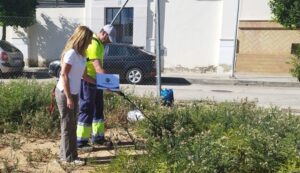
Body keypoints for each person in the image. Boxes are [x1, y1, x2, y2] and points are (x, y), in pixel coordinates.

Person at [55, 25, 95, 165]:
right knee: (68, 126)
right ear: (83, 39)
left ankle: (65, 155)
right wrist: (69, 98)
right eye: (89, 39)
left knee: (71, 125)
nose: (91, 42)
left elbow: (84, 76)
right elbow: (64, 75)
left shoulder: (82, 55)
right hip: (65, 93)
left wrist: (101, 83)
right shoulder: (71, 53)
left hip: (74, 93)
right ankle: (70, 158)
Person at [76, 24, 116, 148]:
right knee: (87, 109)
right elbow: (98, 68)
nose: (108, 43)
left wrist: (107, 84)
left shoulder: (99, 44)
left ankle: (98, 138)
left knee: (98, 109)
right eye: (108, 40)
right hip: (88, 82)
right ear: (104, 34)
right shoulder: (93, 44)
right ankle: (81, 142)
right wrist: (110, 85)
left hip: (96, 82)